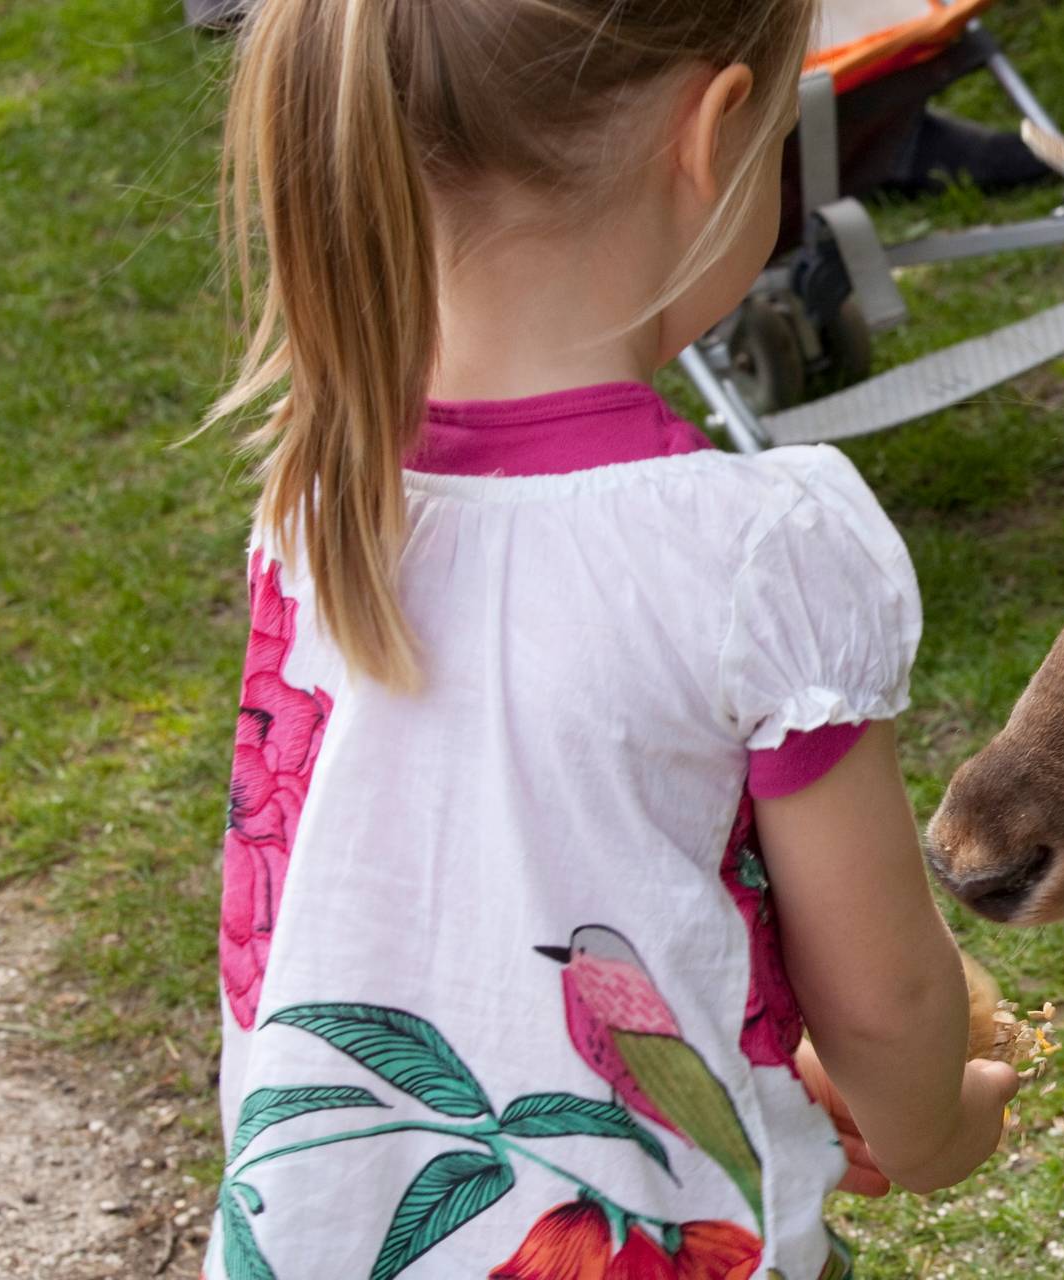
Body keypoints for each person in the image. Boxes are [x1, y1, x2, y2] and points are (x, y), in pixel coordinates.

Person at [200, 2, 1017, 1275]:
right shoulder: (754, 549)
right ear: (714, 134)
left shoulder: (322, 490)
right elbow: (886, 993)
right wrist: (934, 1122)